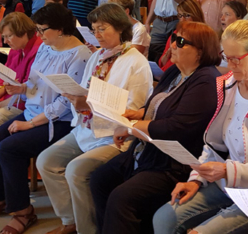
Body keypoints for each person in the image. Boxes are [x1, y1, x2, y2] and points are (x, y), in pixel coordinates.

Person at [153, 19, 248, 234]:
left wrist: (226, 170)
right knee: (163, 219)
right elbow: (213, 143)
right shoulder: (228, 85)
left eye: (236, 59)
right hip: (230, 185)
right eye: (226, 58)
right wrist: (197, 179)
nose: (230, 66)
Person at [90, 21, 221, 234]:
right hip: (151, 149)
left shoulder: (206, 80)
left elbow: (177, 127)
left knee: (122, 198)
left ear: (200, 51)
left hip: (174, 162)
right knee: (100, 179)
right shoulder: (175, 72)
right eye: (174, 39)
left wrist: (131, 127)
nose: (172, 46)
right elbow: (159, 103)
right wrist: (139, 112)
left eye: (181, 42)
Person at [37, 3, 153, 234]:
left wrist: (88, 104)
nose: (97, 34)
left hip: (115, 136)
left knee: (76, 170)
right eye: (94, 29)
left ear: (120, 28)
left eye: (102, 28)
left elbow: (134, 109)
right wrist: (76, 97)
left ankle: (87, 229)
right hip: (86, 127)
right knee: (46, 161)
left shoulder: (135, 62)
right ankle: (69, 220)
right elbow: (87, 87)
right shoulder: (99, 55)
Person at [0, 3, 91, 234]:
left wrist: (30, 123)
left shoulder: (80, 54)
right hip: (34, 112)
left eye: (42, 29)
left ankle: (23, 212)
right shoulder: (47, 46)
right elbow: (38, 80)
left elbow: (66, 101)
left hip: (59, 122)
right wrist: (22, 88)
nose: (39, 34)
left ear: (60, 29)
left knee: (8, 149)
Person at [0, 13, 42, 131]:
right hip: (9, 99)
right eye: (4, 37)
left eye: (9, 36)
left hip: (24, 104)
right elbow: (3, 79)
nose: (5, 41)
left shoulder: (38, 50)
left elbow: (27, 93)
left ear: (23, 33)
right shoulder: (16, 48)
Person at [158, 0, 206, 72]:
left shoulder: (202, 35)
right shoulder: (175, 33)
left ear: (196, 15)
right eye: (180, 15)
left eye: (187, 15)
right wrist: (167, 55)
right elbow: (162, 63)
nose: (182, 19)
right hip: (166, 73)